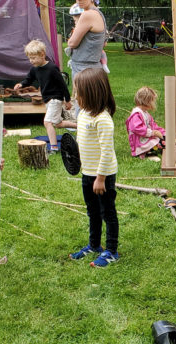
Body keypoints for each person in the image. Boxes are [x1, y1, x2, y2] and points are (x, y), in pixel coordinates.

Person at [69, 67, 121, 268]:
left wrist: (100, 178)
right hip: (87, 173)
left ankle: (112, 251)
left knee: (108, 213)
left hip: (102, 176)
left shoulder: (103, 120)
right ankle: (94, 245)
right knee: (92, 211)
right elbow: (82, 138)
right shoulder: (84, 114)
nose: (75, 97)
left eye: (78, 93)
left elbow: (106, 152)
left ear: (92, 94)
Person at [14, 40, 75, 153]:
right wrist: (21, 84)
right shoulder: (34, 69)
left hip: (55, 98)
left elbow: (62, 85)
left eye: (34, 58)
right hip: (47, 99)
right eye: (30, 58)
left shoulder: (52, 68)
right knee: (58, 124)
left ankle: (54, 147)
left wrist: (67, 100)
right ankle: (80, 126)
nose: (31, 61)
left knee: (47, 122)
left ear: (42, 55)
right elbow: (29, 79)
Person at [67, 0, 107, 82]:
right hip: (93, 69)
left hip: (84, 70)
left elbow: (72, 43)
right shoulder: (98, 13)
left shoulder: (87, 14)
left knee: (81, 94)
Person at [126, 86, 166, 161]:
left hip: (147, 138)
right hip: (139, 142)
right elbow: (136, 128)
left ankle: (153, 150)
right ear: (146, 101)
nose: (154, 103)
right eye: (152, 101)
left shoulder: (145, 113)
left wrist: (164, 133)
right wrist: (152, 133)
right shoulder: (136, 114)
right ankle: (145, 154)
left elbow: (153, 126)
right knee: (159, 143)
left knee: (163, 139)